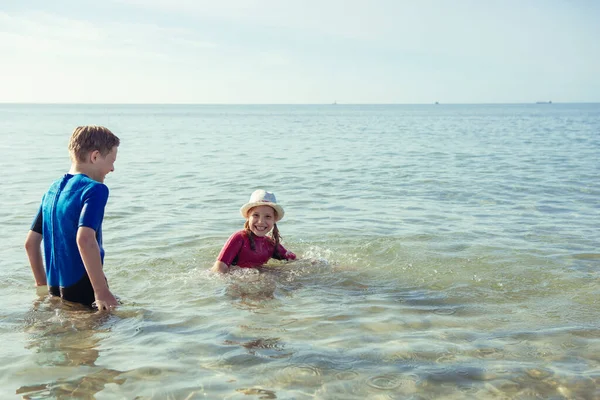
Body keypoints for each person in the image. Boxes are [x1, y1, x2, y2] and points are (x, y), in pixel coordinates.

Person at [24, 125, 120, 311]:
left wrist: (42, 286)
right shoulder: (94, 189)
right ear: (95, 156)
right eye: (111, 161)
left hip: (55, 289)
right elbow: (84, 239)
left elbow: (31, 243)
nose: (112, 168)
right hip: (85, 288)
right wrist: (100, 291)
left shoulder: (52, 190)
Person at [211, 190, 296, 273]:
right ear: (248, 216)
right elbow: (219, 269)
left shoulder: (271, 244)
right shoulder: (239, 238)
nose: (261, 222)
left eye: (268, 216)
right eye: (256, 215)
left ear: (274, 220)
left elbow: (294, 260)